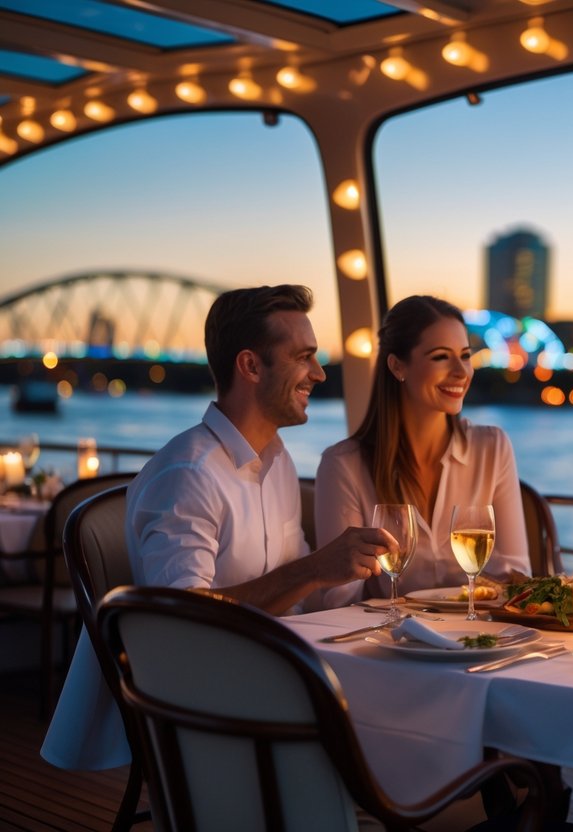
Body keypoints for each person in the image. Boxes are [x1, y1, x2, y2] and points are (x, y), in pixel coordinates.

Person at [43, 284, 392, 770]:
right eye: (303, 357)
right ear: (250, 366)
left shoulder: (278, 462)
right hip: (212, 709)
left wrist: (363, 577)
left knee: (400, 688)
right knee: (395, 721)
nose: (318, 373)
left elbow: (302, 589)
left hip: (273, 672)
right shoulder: (188, 474)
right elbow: (181, 618)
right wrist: (314, 569)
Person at [314, 295, 530, 609]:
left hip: (476, 631)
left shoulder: (492, 448)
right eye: (441, 357)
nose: (461, 371)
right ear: (397, 365)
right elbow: (338, 600)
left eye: (465, 355)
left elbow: (516, 575)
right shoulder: (343, 465)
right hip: (389, 635)